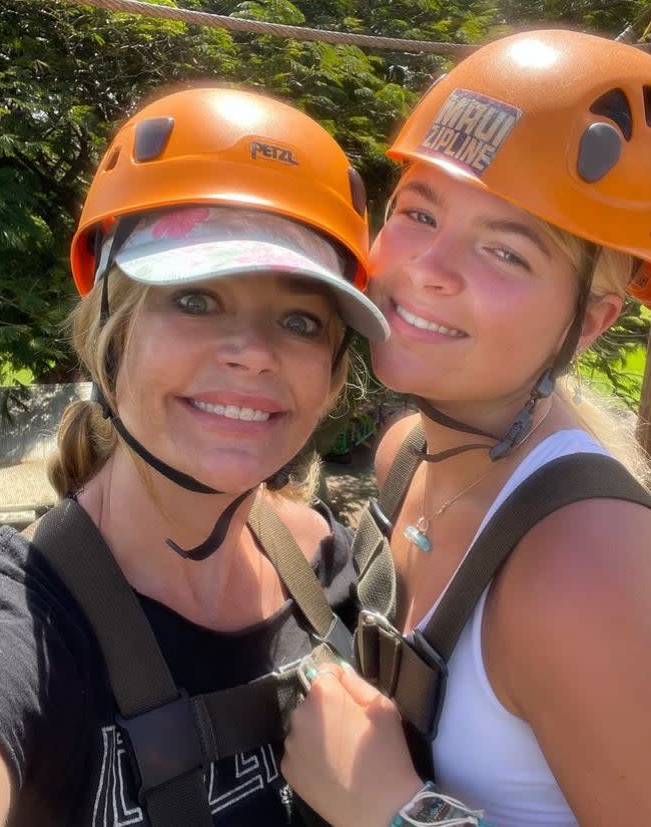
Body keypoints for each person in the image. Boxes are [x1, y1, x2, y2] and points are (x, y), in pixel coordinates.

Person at [0, 85, 389, 826]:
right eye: (196, 299)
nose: (254, 355)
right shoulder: (19, 630)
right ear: (110, 328)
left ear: (331, 374)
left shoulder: (327, 564)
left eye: (300, 319)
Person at [283, 29, 651, 827]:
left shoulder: (584, 565)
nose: (427, 267)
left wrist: (394, 811)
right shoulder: (406, 452)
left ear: (589, 321)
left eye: (506, 253)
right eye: (418, 212)